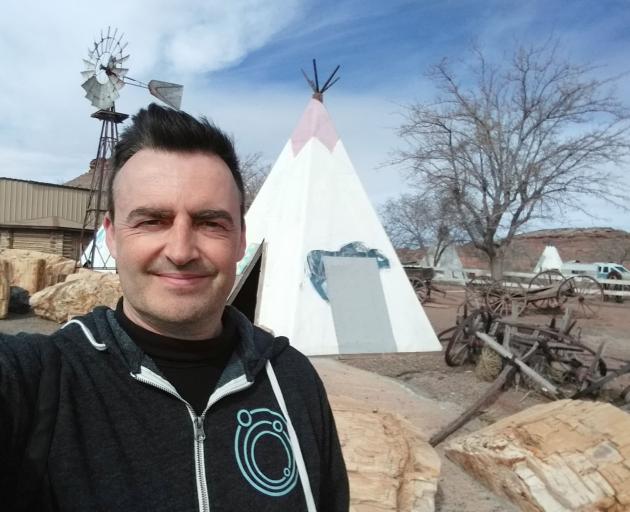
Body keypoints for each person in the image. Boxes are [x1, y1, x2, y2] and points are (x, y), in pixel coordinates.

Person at [0, 103, 349, 511]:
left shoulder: (293, 380)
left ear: (240, 239)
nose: (181, 251)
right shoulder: (41, 379)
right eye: (152, 220)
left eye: (210, 223)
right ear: (111, 237)